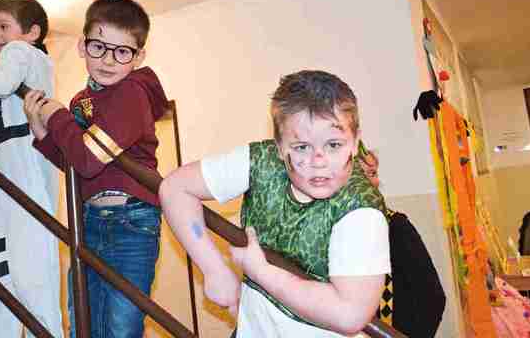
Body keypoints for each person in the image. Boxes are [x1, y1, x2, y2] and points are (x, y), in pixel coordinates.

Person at [159, 70, 390, 337]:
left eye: (334, 145)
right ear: (279, 146)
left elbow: (349, 315)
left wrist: (260, 271)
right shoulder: (261, 160)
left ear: (355, 142)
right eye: (302, 147)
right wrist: (215, 271)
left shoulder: (362, 209)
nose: (318, 161)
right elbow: (175, 188)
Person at [24, 0, 168, 338]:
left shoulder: (132, 92)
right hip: (89, 219)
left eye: (122, 51)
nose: (108, 60)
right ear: (82, 45)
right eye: (99, 47)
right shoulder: (82, 101)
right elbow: (78, 163)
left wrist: (56, 115)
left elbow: (88, 160)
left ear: (139, 57)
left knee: (121, 327)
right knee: (84, 324)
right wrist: (42, 132)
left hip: (130, 221)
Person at [0, 0, 62, 338]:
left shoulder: (21, 51)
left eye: (3, 26)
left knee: (26, 263)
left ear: (32, 32)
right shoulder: (14, 59)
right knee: (5, 261)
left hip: (17, 155)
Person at [359, 148, 446, 337]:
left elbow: (433, 297)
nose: (371, 181)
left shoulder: (395, 226)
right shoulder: (336, 230)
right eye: (360, 174)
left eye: (372, 173)